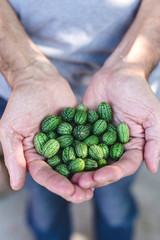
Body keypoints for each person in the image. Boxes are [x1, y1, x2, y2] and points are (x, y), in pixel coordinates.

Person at [0, 0, 160, 239]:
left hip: (127, 92)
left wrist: (133, 65)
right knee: (44, 206)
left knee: (115, 206)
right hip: (23, 91)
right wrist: (25, 73)